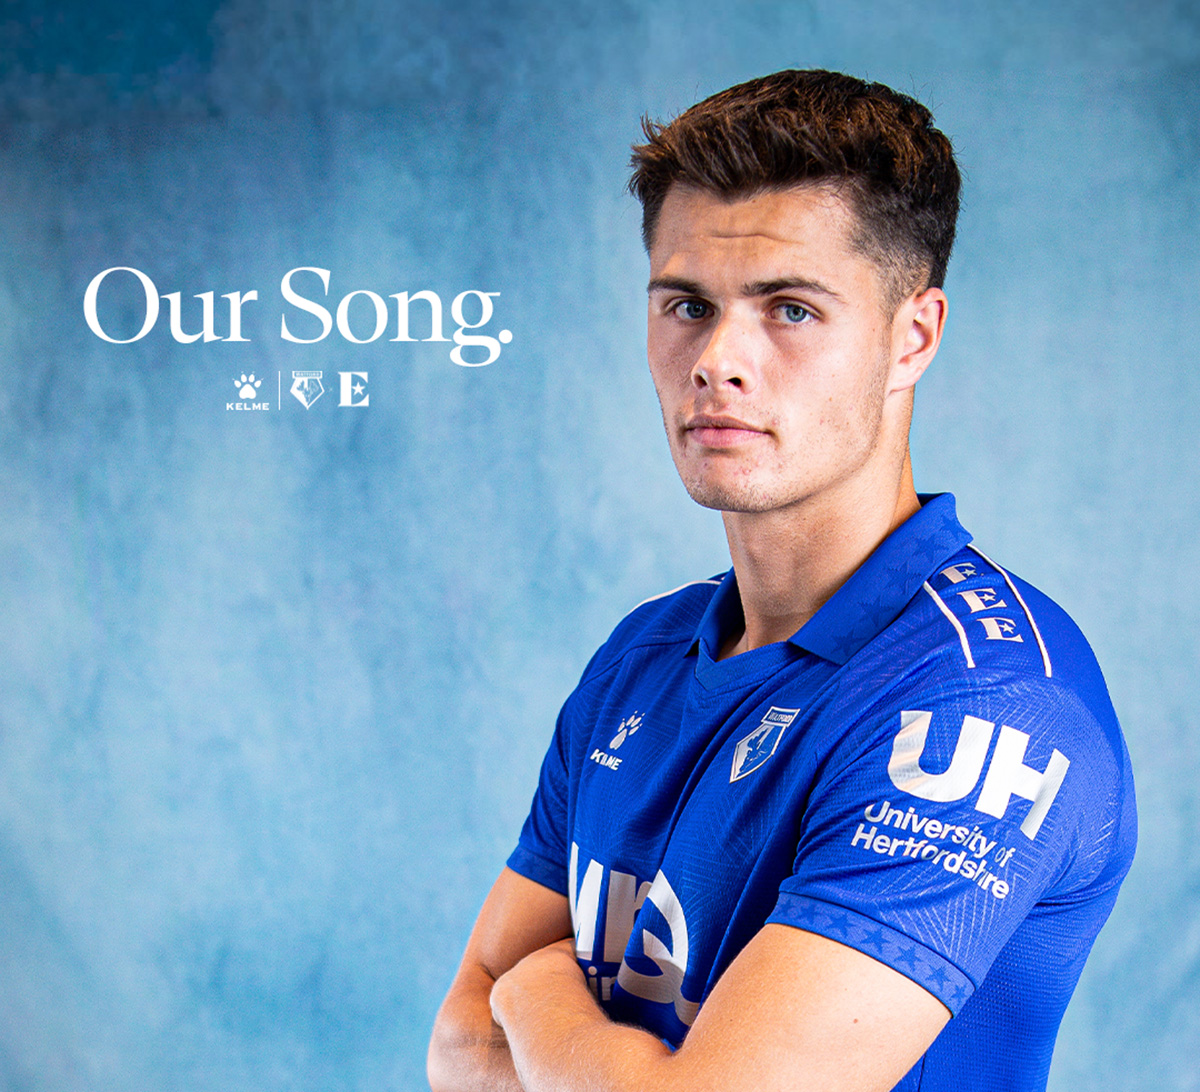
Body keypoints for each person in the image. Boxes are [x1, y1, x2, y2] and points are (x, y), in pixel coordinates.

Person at [427, 69, 1137, 1092]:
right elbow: (458, 1049)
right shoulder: (641, 656)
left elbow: (502, 1006)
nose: (718, 359)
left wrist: (529, 987)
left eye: (790, 310)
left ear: (914, 336)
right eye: (686, 304)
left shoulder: (984, 703)